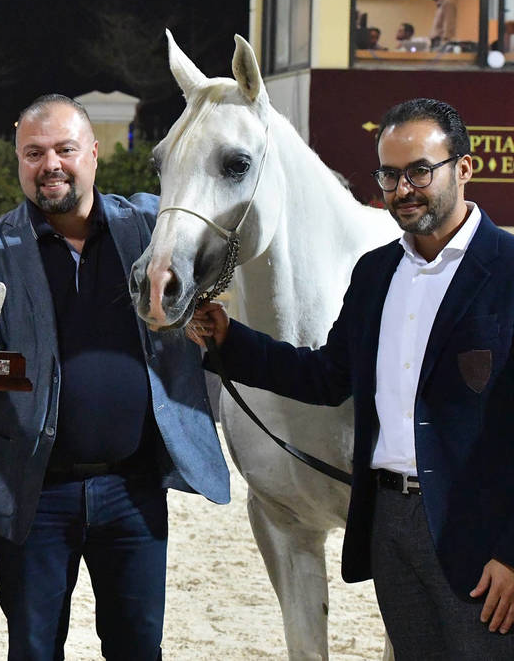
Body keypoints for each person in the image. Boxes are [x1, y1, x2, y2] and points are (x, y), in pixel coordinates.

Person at [192, 98, 514, 659]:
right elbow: (327, 376)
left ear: (463, 169)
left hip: (480, 533)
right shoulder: (376, 271)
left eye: (419, 170)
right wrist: (229, 340)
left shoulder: (510, 270)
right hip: (389, 523)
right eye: (388, 174)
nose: (402, 188)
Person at [0, 95, 229, 659]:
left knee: (138, 647)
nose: (50, 164)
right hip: (32, 491)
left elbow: (223, 229)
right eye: (34, 152)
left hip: (133, 491)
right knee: (34, 648)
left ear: (93, 154)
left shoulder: (148, 228)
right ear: (20, 162)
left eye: (65, 149)